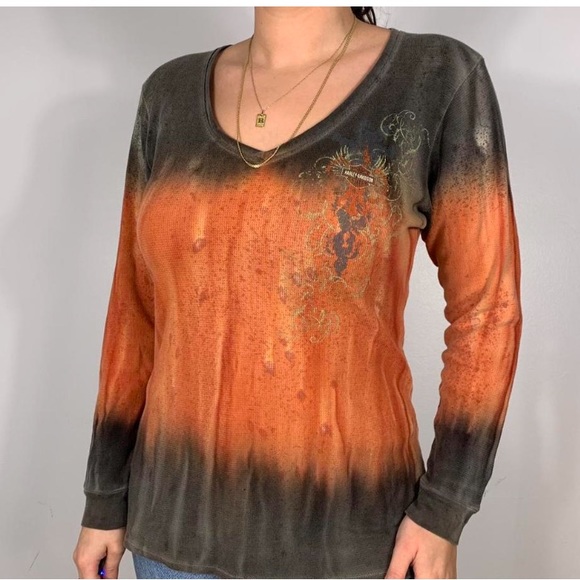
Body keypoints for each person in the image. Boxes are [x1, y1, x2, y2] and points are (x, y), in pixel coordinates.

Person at [72, 6, 523, 580]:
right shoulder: (168, 94)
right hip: (170, 542)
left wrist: (443, 510)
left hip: (355, 545)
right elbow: (134, 312)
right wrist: (104, 498)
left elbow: (488, 311)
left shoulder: (435, 77)